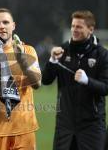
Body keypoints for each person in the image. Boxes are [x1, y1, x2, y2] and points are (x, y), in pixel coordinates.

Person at [0, 8, 41, 150]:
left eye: (5, 22)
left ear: (13, 25)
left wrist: (23, 62)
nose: (1, 26)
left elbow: (37, 84)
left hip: (24, 128)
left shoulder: (27, 50)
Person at [42, 10, 108, 150]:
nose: (74, 30)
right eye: (73, 26)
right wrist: (52, 61)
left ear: (90, 29)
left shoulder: (102, 55)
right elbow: (46, 80)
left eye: (79, 27)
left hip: (92, 127)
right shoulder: (63, 50)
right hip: (64, 126)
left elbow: (105, 88)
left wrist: (87, 81)